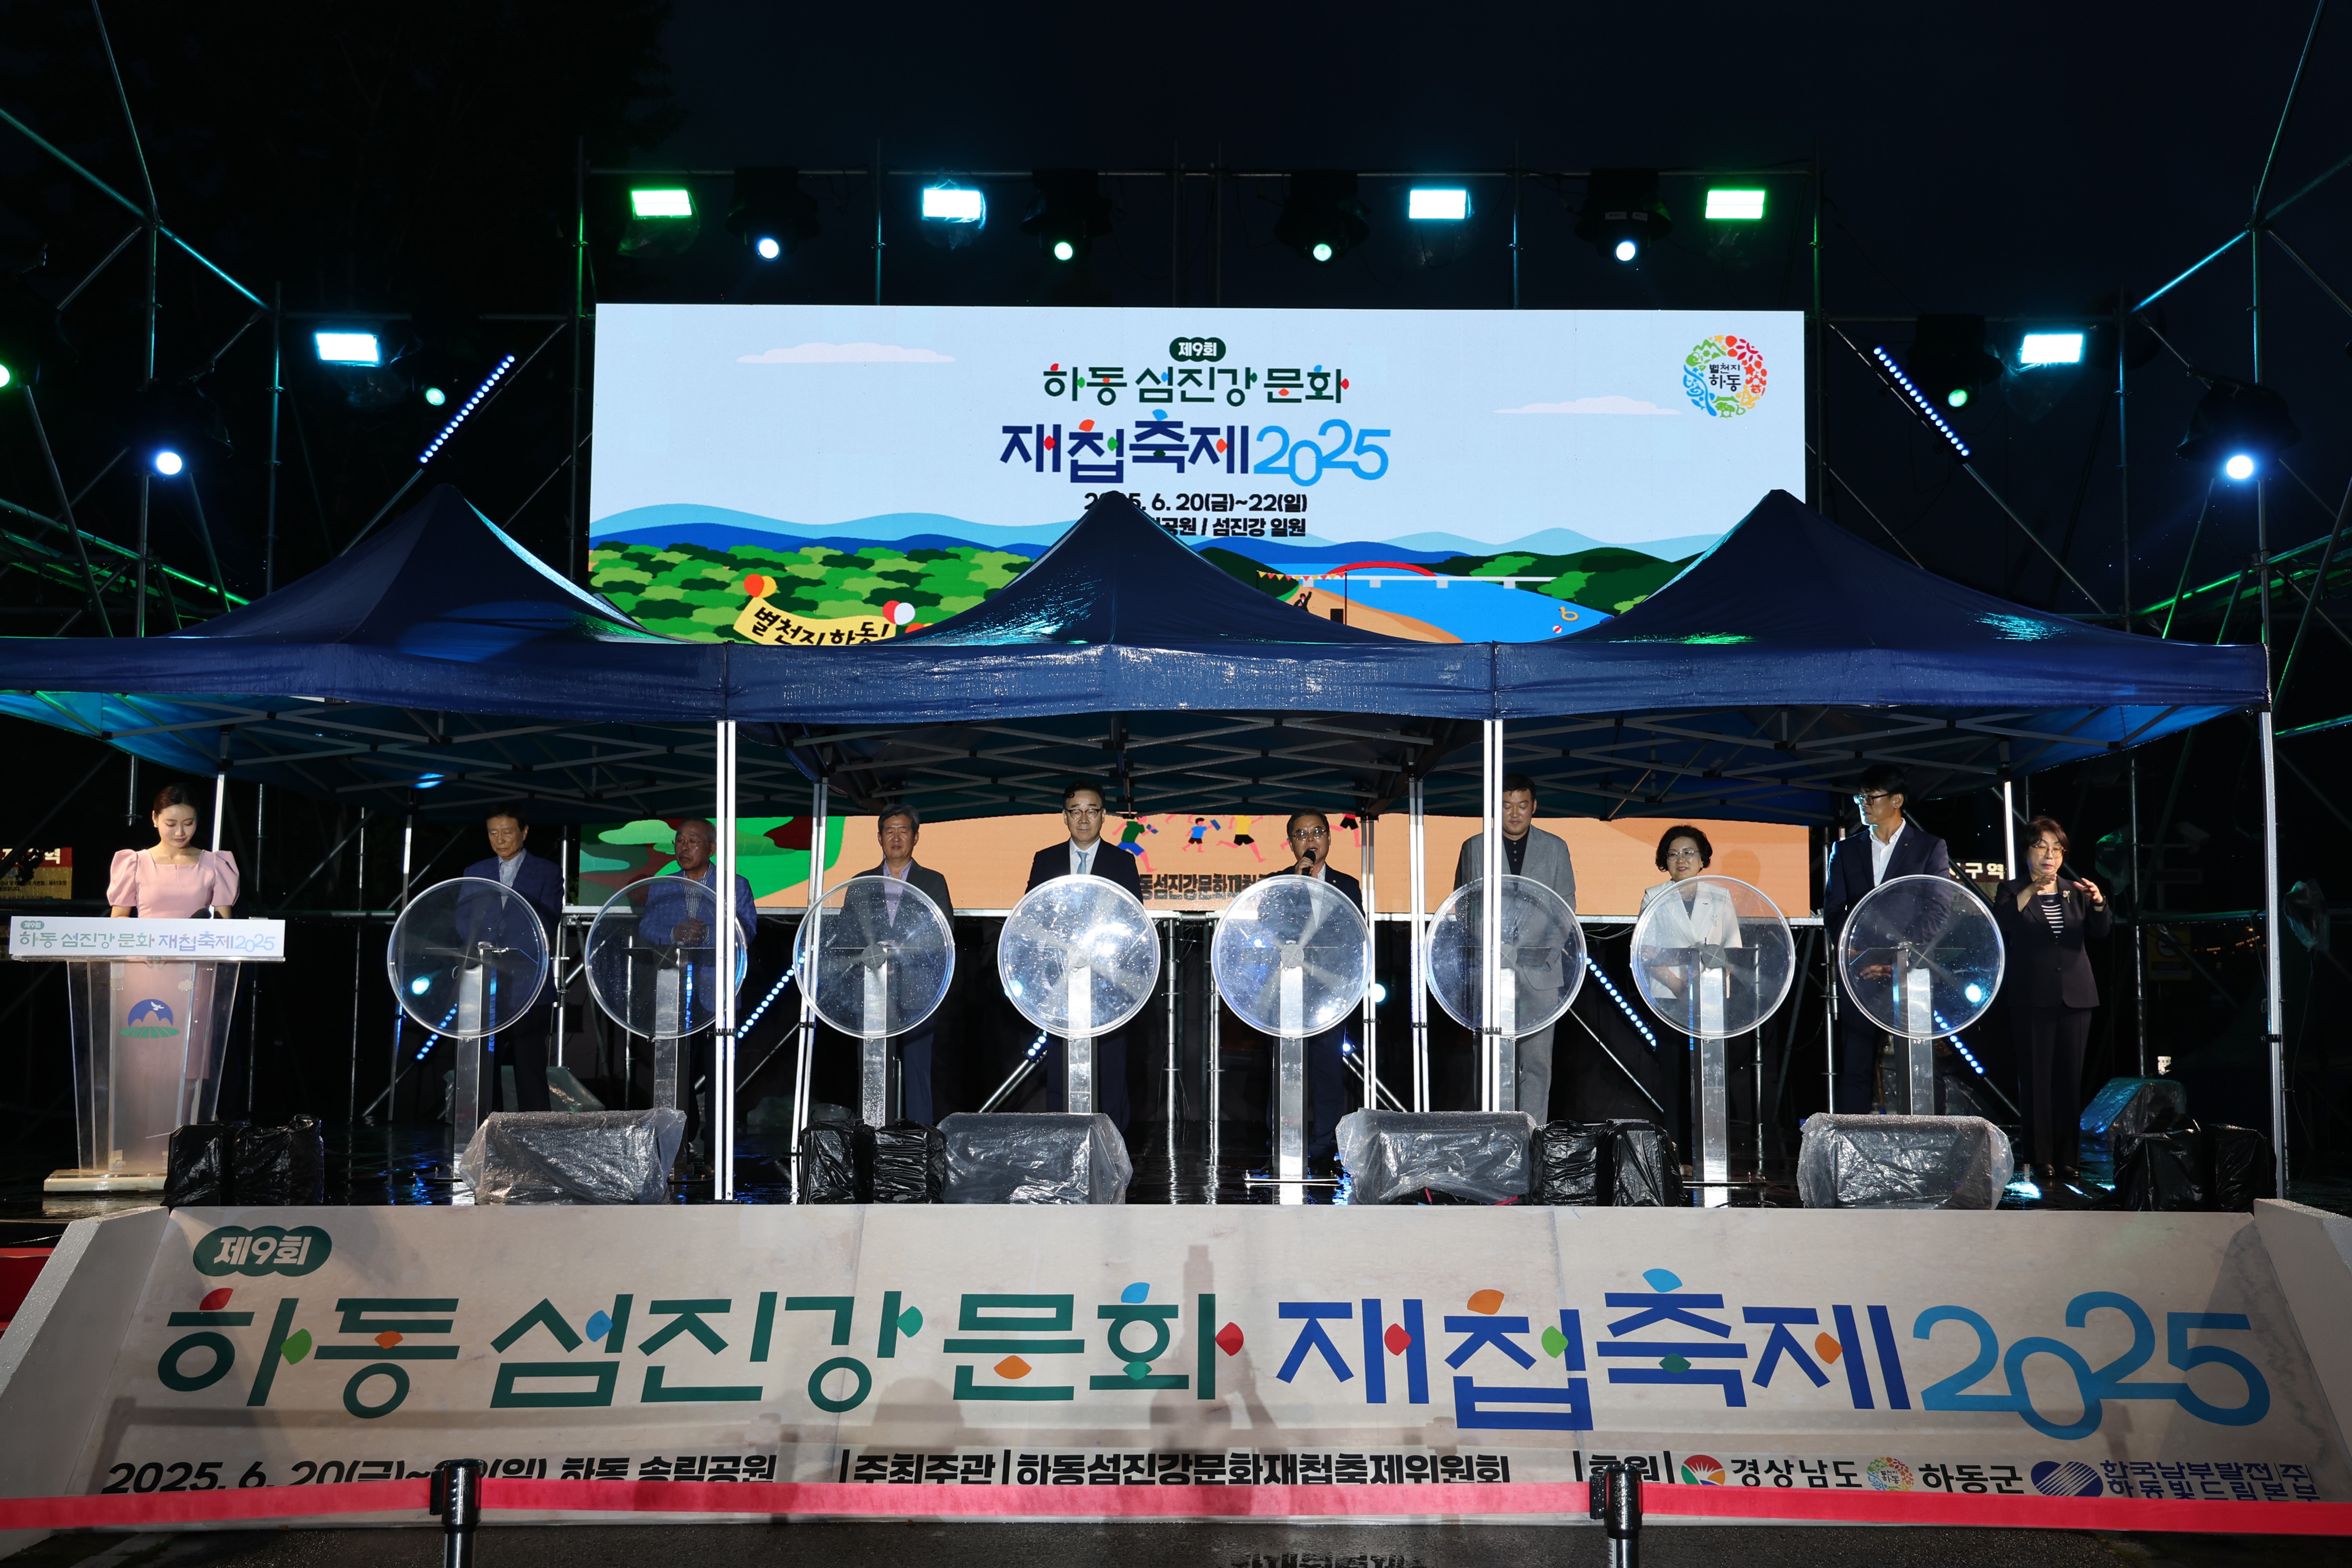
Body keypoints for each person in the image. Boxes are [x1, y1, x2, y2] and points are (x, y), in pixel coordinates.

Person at [1821, 764, 1952, 1113]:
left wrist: (1895, 956)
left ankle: (1927, 1142)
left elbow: (1938, 909)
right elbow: (1834, 911)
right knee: (1856, 1065)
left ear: (1897, 800)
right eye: (1860, 797)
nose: (1864, 804)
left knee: (1920, 1062)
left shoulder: (1929, 847)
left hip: (1909, 972)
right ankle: (1854, 1150)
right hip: (1860, 973)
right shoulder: (1846, 850)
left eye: (1871, 797)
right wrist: (1858, 954)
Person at [1992, 817, 2110, 1193]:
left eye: (2057, 849)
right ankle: (2039, 1157)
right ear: (2027, 851)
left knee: (2069, 1080)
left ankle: (2069, 1159)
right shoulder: (2011, 891)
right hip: (2032, 998)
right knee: (2036, 1081)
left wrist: (2098, 903)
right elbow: (2005, 925)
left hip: (2077, 996)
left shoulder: (2074, 891)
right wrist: (2031, 890)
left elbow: (2102, 931)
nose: (2050, 855)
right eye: (2042, 847)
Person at [1452, 773, 1577, 1120]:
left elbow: (1564, 905)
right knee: (1489, 1054)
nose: (1515, 813)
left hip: (1541, 970)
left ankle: (1532, 1134)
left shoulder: (1555, 847)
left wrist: (1547, 952)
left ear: (1534, 807)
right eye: (1507, 806)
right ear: (1497, 808)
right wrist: (1485, 949)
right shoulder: (1475, 846)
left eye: (1522, 805)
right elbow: (1465, 905)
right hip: (1491, 969)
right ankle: (1490, 1129)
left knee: (1537, 1061)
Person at [1024, 781, 1145, 1131]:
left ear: (1104, 816)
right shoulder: (1045, 860)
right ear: (1065, 817)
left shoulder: (1122, 862)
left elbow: (1133, 923)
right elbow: (1032, 916)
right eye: (1075, 811)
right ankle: (1063, 1144)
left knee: (1111, 1069)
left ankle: (1114, 1152)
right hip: (1060, 984)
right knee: (1061, 1068)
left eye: (1091, 810)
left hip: (1108, 985)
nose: (1083, 818)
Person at [639, 819, 759, 1164]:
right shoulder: (663, 886)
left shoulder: (734, 885)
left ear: (712, 847)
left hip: (716, 990)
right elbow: (648, 926)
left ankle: (717, 1151)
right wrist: (675, 931)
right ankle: (678, 1142)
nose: (684, 847)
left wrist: (706, 937)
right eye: (679, 841)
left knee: (719, 1067)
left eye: (693, 841)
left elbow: (746, 931)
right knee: (678, 1068)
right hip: (673, 990)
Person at [848, 805, 957, 1125]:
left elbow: (943, 932)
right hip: (871, 992)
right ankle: (871, 1144)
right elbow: (845, 933)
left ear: (916, 837)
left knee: (917, 1072)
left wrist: (904, 950)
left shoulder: (933, 881)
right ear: (880, 838)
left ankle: (919, 1148)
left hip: (918, 991)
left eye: (903, 831)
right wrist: (873, 951)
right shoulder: (861, 882)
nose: (896, 837)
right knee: (872, 1071)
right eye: (890, 831)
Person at [457, 806, 564, 1114]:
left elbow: (547, 921)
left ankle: (536, 1140)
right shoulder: (474, 871)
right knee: (484, 1067)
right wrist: (481, 945)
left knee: (529, 1067)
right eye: (493, 833)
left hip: (527, 982)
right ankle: (487, 1134)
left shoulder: (547, 871)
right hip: (485, 983)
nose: (500, 840)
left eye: (507, 832)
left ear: (524, 832)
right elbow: (464, 918)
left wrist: (507, 948)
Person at [1276, 809, 1365, 1176]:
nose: (1310, 840)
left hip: (1330, 994)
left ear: (1329, 838)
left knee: (1328, 1069)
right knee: (1287, 1069)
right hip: (1287, 994)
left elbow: (1354, 938)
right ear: (1292, 843)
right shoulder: (1278, 884)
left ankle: (1326, 1144)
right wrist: (1296, 887)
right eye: (1301, 835)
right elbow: (1272, 932)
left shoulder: (1348, 886)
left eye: (1317, 833)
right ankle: (1285, 1141)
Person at [1636, 826, 1743, 1014]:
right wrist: (1679, 986)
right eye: (1673, 854)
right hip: (1669, 993)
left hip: (1713, 991)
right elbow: (1646, 952)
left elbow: (1733, 951)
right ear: (1665, 861)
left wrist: (1707, 983)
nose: (1681, 860)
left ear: (1702, 860)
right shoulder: (1653, 897)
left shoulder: (1721, 896)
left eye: (1689, 852)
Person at [108, 783, 238, 918]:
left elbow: (224, 928)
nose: (180, 832)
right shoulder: (135, 863)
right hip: (148, 938)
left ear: (197, 820)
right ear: (155, 818)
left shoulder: (215, 864)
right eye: (171, 824)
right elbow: (118, 921)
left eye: (188, 824)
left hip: (196, 938)